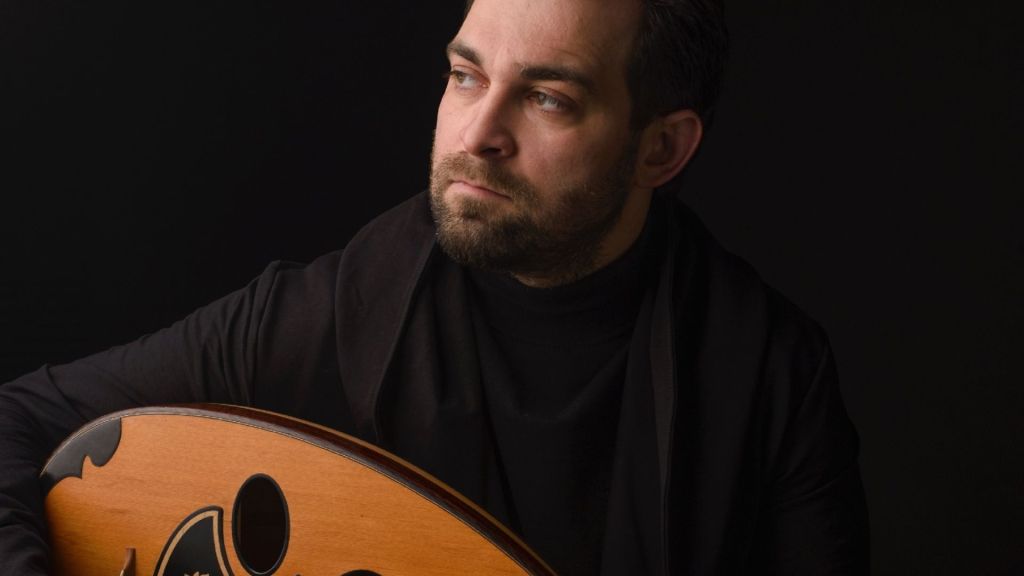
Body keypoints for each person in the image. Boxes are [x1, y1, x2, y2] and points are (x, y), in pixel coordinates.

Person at [0, 0, 869, 573]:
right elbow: (18, 419)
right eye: (465, 76)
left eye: (548, 98)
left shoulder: (772, 375)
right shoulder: (341, 309)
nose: (478, 132)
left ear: (662, 149)